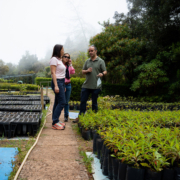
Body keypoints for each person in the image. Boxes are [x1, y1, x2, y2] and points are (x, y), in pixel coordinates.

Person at [73, 45, 107, 123]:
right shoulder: (87, 61)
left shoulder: (100, 61)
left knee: (94, 103)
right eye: (89, 51)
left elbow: (105, 71)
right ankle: (80, 117)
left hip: (96, 86)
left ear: (96, 51)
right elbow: (82, 71)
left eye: (92, 51)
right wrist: (87, 70)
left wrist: (102, 74)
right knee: (83, 101)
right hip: (86, 85)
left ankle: (94, 119)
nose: (90, 52)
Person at [50, 44, 66, 130]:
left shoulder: (59, 60)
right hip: (57, 82)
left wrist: (63, 85)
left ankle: (56, 120)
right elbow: (53, 73)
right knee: (62, 102)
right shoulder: (54, 59)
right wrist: (56, 85)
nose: (63, 51)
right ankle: (55, 122)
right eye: (62, 49)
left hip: (61, 82)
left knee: (57, 102)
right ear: (58, 50)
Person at [62, 53, 75, 122]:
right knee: (61, 101)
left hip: (68, 84)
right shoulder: (61, 65)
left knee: (66, 102)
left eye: (68, 57)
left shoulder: (68, 66)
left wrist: (70, 64)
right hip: (62, 85)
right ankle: (56, 116)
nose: (67, 58)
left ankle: (66, 116)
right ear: (62, 57)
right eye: (65, 56)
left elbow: (73, 72)